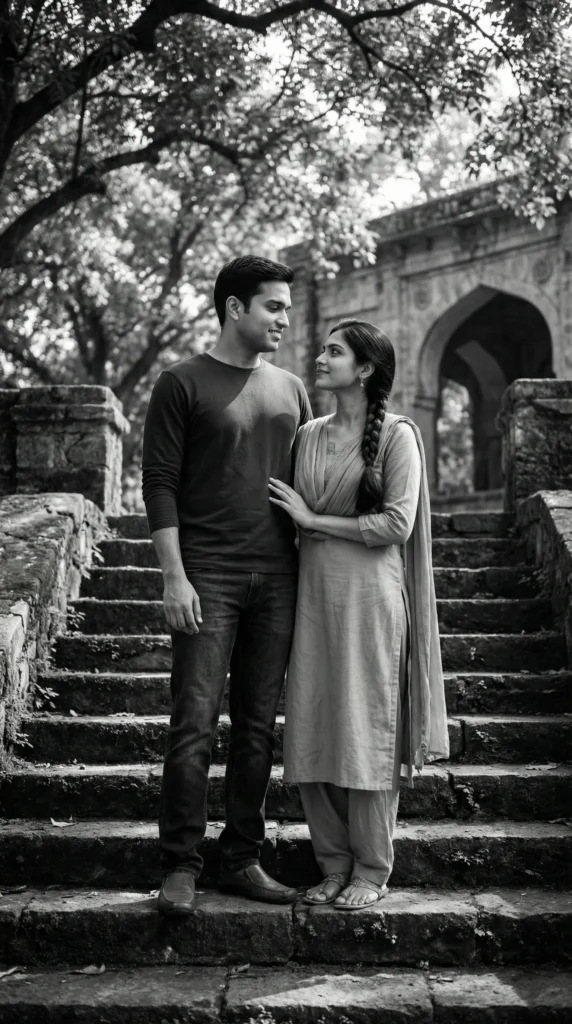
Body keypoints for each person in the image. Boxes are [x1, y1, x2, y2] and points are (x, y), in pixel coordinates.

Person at [142, 255, 312, 915]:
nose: (283, 321)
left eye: (288, 310)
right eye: (273, 306)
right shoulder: (180, 382)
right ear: (234, 307)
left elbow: (313, 476)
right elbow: (160, 483)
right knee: (192, 725)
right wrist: (174, 576)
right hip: (205, 574)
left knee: (258, 729)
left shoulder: (293, 390)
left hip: (278, 575)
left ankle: (241, 857)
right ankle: (180, 865)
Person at [269, 318, 449, 910]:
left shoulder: (398, 436)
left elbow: (398, 523)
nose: (320, 358)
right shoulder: (309, 434)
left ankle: (371, 868)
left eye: (334, 352)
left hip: (372, 600)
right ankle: (333, 863)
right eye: (322, 349)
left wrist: (314, 521)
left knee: (365, 726)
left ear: (365, 369)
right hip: (313, 597)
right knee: (315, 723)